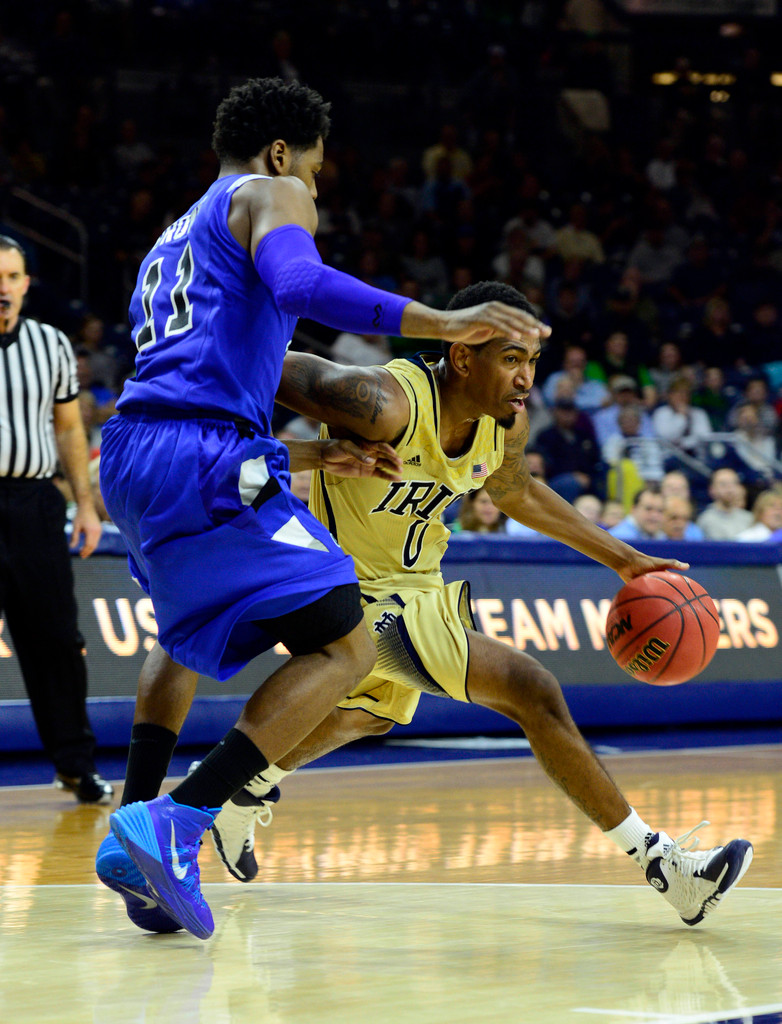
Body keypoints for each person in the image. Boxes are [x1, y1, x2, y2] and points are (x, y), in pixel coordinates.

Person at [97, 79, 551, 940]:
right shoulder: (274, 192)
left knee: (184, 640)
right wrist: (442, 321)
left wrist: (310, 455)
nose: (316, 189)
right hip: (203, 451)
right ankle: (175, 825)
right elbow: (300, 282)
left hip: (135, 451)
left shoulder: (173, 236)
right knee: (350, 641)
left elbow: (198, 376)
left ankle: (139, 817)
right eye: (314, 168)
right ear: (280, 154)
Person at [216, 284, 750, 928]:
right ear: (463, 356)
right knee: (533, 688)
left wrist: (622, 559)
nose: (526, 378)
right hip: (355, 593)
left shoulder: (505, 422)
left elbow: (515, 489)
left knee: (369, 719)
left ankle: (238, 787)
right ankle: (663, 865)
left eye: (532, 362)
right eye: (511, 359)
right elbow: (269, 361)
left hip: (421, 589)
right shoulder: (386, 404)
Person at [0, 235, 111, 803]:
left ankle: (74, 763)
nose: (3, 287)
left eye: (12, 276)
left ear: (25, 284)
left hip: (34, 504)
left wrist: (86, 504)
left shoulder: (49, 345)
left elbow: (69, 428)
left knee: (57, 642)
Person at [696, 467, 754, 540]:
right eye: (723, 484)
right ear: (712, 490)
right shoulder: (705, 520)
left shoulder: (749, 518)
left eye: (734, 483)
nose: (730, 489)